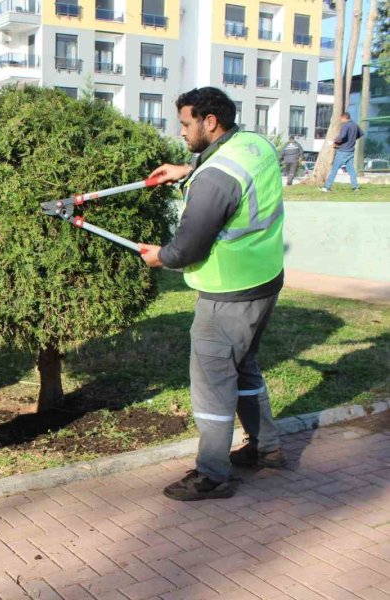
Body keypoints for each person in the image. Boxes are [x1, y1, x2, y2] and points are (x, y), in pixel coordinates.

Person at [138, 87, 286, 502]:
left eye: (186, 124)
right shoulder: (255, 145)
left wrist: (160, 257)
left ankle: (212, 475)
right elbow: (232, 176)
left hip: (227, 294)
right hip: (265, 280)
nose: (181, 132)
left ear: (210, 122)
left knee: (212, 386)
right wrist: (186, 170)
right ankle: (267, 447)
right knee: (244, 369)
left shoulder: (215, 180)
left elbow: (186, 249)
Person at [321, 111, 363, 192]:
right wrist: (351, 140)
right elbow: (360, 134)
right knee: (351, 170)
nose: (341, 121)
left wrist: (334, 142)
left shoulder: (345, 126)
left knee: (334, 169)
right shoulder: (355, 125)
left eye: (341, 119)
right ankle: (355, 187)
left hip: (343, 151)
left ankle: (327, 187)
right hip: (350, 151)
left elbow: (342, 136)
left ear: (344, 117)